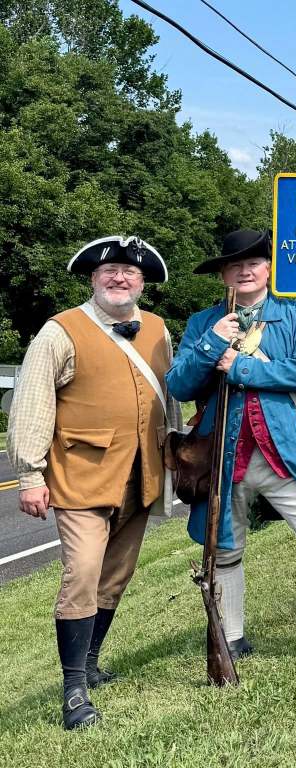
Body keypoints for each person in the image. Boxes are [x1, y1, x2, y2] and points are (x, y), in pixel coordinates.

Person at [8, 235, 176, 729]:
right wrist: (28, 474)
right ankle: (74, 689)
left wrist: (176, 459)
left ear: (142, 282)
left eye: (130, 272)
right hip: (80, 476)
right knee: (81, 575)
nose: (119, 278)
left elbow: (170, 398)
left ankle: (93, 662)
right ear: (93, 279)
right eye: (110, 272)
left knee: (115, 578)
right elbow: (33, 403)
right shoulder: (61, 330)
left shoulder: (160, 330)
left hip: (141, 474)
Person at [166, 229, 296, 664]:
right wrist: (213, 342)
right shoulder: (203, 322)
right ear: (223, 276)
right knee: (225, 545)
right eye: (235, 265)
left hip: (281, 452)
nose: (245, 269)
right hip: (221, 456)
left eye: (254, 261)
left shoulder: (294, 315)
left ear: (269, 268)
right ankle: (230, 638)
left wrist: (241, 366)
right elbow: (179, 384)